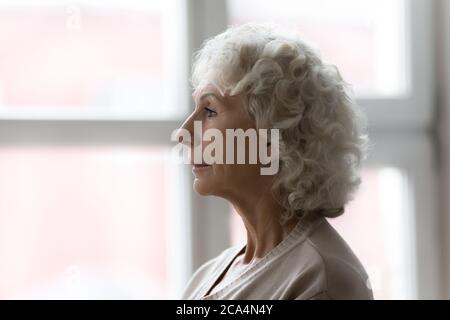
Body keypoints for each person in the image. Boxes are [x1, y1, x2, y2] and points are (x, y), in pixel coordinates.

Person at [178, 23, 373, 300]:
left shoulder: (321, 281)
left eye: (210, 110)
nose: (185, 131)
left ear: (273, 136)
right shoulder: (207, 275)